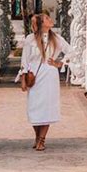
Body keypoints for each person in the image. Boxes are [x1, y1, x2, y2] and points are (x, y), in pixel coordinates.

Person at [18, 12, 74, 151]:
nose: (50, 20)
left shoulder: (56, 38)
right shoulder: (30, 39)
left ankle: (42, 140)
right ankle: (37, 137)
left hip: (49, 74)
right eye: (47, 19)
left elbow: (71, 51)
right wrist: (23, 77)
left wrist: (60, 63)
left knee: (47, 107)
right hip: (34, 74)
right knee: (35, 107)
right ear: (41, 23)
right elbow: (24, 59)